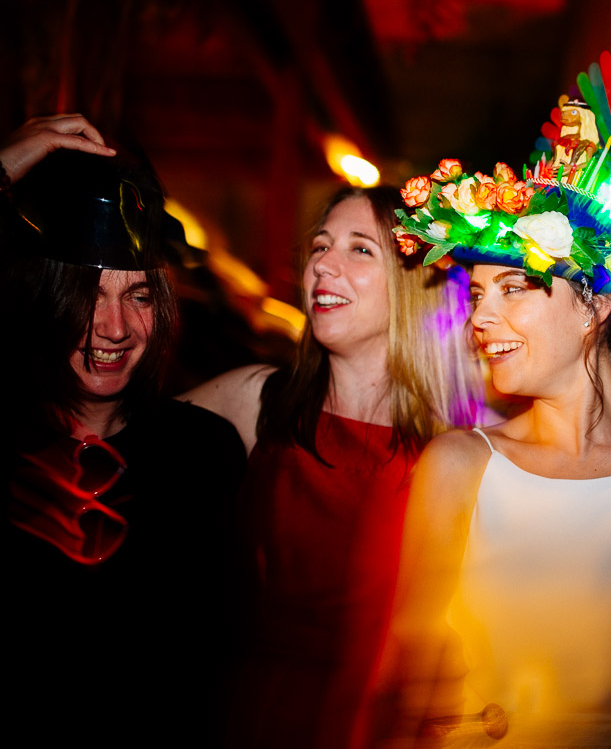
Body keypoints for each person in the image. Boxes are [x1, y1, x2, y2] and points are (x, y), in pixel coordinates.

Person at [386, 31, 611, 747]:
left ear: (592, 307)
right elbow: (411, 686)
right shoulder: (457, 466)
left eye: (515, 287)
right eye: (478, 293)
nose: (482, 317)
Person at [0, 137, 247, 747]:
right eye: (88, 294)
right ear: (43, 298)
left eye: (138, 295)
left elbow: (219, 673)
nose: (114, 328)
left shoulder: (204, 455)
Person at [180, 184, 488, 747]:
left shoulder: (460, 450)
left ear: (411, 282)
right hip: (250, 714)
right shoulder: (258, 401)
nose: (324, 263)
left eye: (359, 249)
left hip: (379, 728)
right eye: (320, 246)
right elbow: (110, 426)